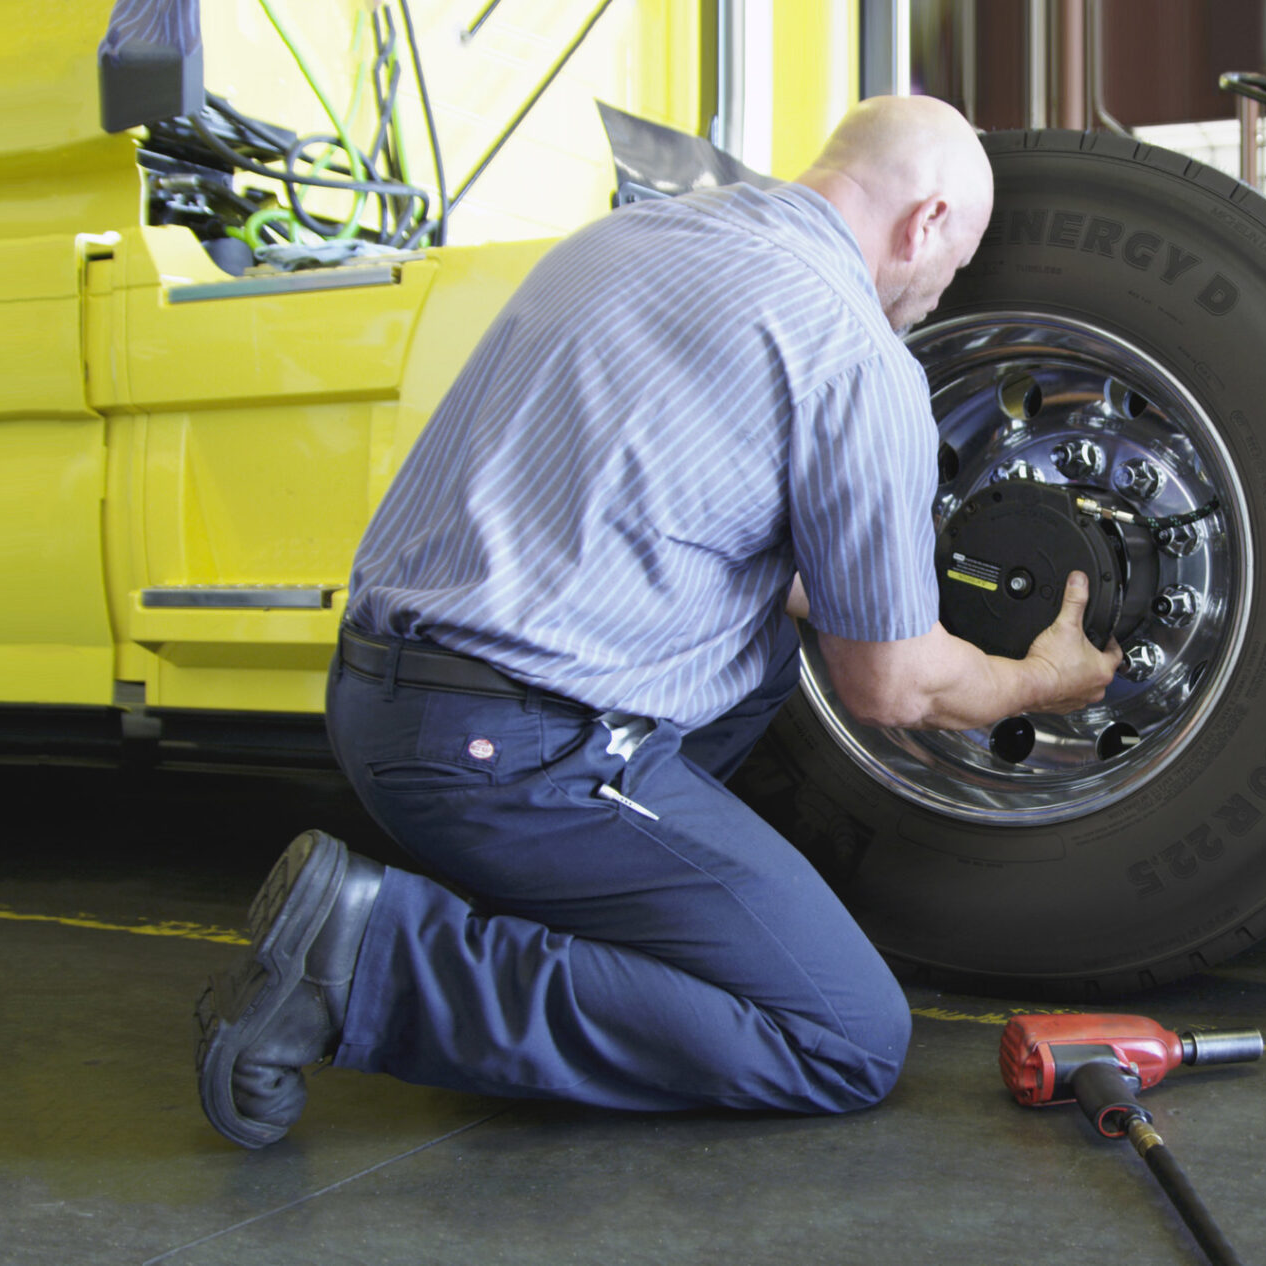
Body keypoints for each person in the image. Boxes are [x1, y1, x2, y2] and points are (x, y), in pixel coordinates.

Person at [194, 96, 1120, 1148]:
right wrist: (1041, 681)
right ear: (925, 223)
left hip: (378, 704)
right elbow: (892, 687)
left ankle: (567, 921)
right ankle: (374, 963)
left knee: (771, 653)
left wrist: (879, 587)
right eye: (953, 264)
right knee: (844, 1036)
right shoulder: (853, 352)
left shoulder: (629, 237)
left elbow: (669, 521)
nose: (934, 294)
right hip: (511, 755)